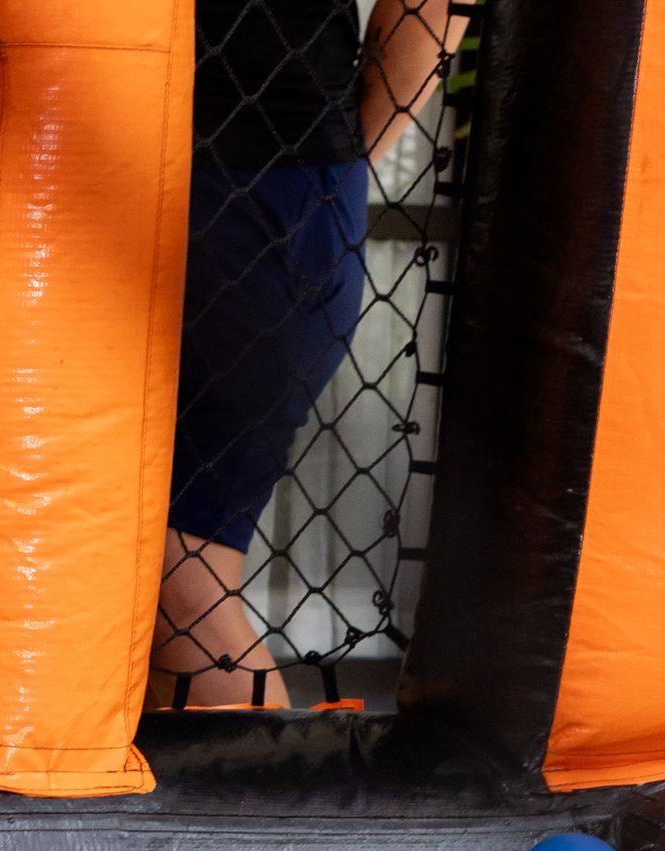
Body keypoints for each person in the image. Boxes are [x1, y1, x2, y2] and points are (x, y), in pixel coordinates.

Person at [157, 0, 471, 706]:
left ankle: (272, 779)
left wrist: (339, 164)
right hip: (225, 179)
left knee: (177, 578)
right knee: (142, 573)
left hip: (263, 188)